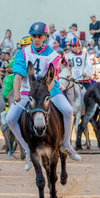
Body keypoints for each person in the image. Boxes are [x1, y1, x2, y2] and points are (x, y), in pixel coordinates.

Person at [6, 22, 81, 171]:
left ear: (45, 37)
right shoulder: (22, 53)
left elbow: (52, 78)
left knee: (68, 110)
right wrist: (16, 93)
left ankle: (66, 144)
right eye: (34, 36)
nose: (36, 39)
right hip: (28, 91)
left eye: (39, 36)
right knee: (9, 119)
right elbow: (18, 77)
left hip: (48, 89)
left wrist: (46, 91)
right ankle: (27, 149)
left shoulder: (52, 54)